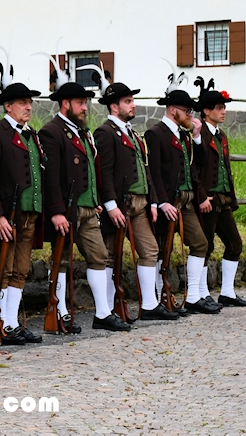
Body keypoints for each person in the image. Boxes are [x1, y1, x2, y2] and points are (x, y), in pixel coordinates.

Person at [39, 82, 131, 333]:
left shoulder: (83, 132)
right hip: (68, 208)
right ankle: (60, 311)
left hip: (89, 207)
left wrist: (96, 200)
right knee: (62, 260)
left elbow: (93, 170)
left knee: (99, 255)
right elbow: (52, 176)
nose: (85, 108)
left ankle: (102, 313)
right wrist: (57, 211)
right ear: (65, 104)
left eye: (85, 103)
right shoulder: (52, 131)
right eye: (80, 103)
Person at [94, 83, 179, 321]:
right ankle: (108, 309)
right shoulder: (105, 132)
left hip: (141, 203)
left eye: (132, 101)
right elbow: (105, 173)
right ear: (114, 106)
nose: (133, 105)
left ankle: (149, 305)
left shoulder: (133, 133)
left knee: (150, 250)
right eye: (128, 101)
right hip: (121, 204)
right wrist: (110, 205)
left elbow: (145, 168)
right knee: (111, 256)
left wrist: (152, 202)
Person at [0, 81, 46, 345]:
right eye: (22, 103)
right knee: (3, 269)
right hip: (8, 214)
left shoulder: (32, 135)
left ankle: (13, 323)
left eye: (30, 102)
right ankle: (1, 324)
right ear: (8, 106)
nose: (28, 107)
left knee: (20, 270)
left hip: (30, 214)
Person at [144, 89, 218, 314]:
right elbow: (153, 173)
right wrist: (161, 202)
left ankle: (193, 297)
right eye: (186, 111)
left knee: (201, 244)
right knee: (159, 250)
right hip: (167, 202)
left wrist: (196, 137)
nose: (190, 114)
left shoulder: (185, 134)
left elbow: (199, 164)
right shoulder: (155, 133)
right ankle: (158, 298)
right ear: (173, 110)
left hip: (185, 201)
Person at [196, 86, 246, 307]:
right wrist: (201, 197)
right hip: (208, 199)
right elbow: (196, 169)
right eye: (219, 108)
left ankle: (227, 292)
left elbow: (225, 168)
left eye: (224, 107)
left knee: (234, 243)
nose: (223, 112)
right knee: (206, 245)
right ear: (206, 111)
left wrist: (231, 196)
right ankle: (202, 293)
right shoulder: (199, 134)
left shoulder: (222, 136)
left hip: (224, 199)